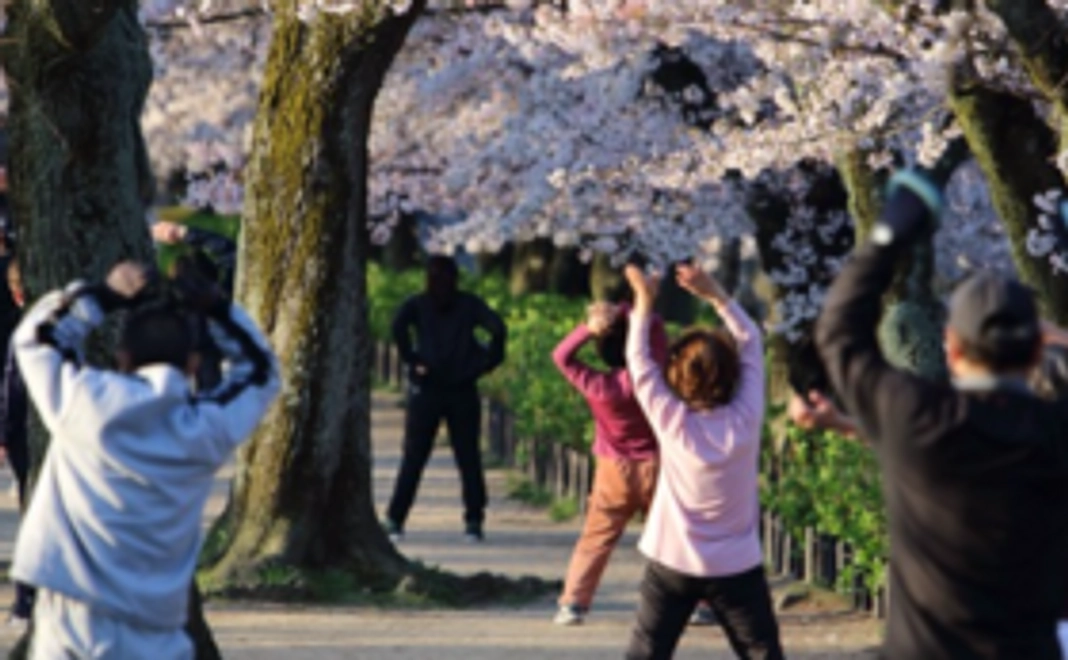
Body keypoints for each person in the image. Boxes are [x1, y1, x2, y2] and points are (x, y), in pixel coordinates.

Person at [814, 168, 1068, 658]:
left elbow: (838, 330)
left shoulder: (914, 417)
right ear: (1039, 350)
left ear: (950, 347)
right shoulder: (1054, 429)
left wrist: (893, 227)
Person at [11, 261, 280, 658]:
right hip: (157, 625)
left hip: (73, 616)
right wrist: (217, 308)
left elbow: (36, 339)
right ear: (192, 365)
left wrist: (102, 296)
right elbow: (261, 372)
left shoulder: (82, 404)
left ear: (122, 357)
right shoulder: (203, 430)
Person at [622, 262, 784, 659]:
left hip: (672, 560)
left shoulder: (671, 420)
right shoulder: (747, 419)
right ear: (732, 374)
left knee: (647, 652)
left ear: (676, 376)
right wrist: (717, 296)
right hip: (736, 566)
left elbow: (639, 361)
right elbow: (751, 340)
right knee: (762, 652)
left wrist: (643, 302)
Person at [551, 300, 668, 625]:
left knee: (596, 538)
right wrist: (633, 310)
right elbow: (657, 329)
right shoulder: (652, 380)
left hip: (613, 469)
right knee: (674, 537)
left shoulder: (598, 387)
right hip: (658, 466)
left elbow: (561, 356)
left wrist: (591, 328)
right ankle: (698, 602)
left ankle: (573, 602)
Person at [386, 255, 506, 542]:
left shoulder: (418, 304)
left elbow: (397, 327)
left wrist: (411, 359)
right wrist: (486, 362)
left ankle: (396, 519)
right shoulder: (469, 304)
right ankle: (473, 521)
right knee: (468, 457)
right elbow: (498, 329)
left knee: (414, 457)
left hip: (427, 387)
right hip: (462, 387)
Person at [0, 258, 33, 626]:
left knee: (32, 512)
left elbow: (12, 388)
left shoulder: (23, 333)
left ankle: (25, 599)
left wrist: (4, 434)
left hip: (25, 435)